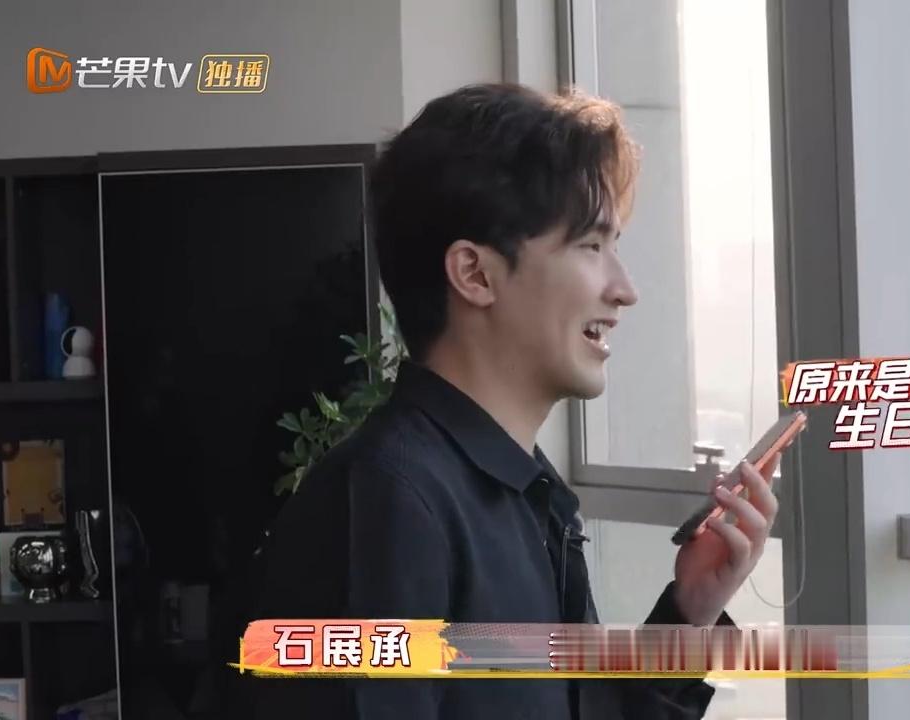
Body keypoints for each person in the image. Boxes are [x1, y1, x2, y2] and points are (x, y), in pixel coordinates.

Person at [252, 82, 780, 719]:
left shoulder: (522, 490)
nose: (625, 289)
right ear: (475, 274)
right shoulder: (392, 502)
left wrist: (690, 611)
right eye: (591, 246)